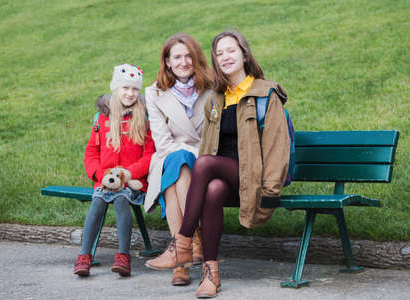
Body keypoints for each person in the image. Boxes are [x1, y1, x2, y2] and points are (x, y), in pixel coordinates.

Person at [145, 31, 290, 298]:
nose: (225, 57)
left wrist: (271, 190)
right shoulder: (217, 98)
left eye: (231, 51)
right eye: (219, 53)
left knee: (203, 165)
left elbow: (278, 147)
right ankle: (211, 275)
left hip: (253, 177)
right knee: (212, 189)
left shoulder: (264, 93)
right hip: (225, 176)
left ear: (244, 54)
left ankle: (182, 241)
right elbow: (209, 144)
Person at [143, 33, 214, 286]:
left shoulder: (213, 89)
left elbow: (211, 139)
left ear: (196, 59)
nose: (184, 61)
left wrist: (187, 151)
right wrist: (184, 151)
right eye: (177, 57)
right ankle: (192, 238)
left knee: (179, 167)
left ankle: (180, 259)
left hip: (204, 160)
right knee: (178, 163)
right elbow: (162, 143)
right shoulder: (153, 92)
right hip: (168, 158)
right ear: (168, 62)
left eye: (188, 56)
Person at [74, 64, 155, 277]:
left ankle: (123, 256)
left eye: (135, 89)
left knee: (121, 200)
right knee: (98, 202)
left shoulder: (144, 118)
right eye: (125, 88)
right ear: (115, 89)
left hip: (132, 182)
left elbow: (149, 156)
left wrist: (128, 174)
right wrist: (101, 176)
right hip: (105, 180)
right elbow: (91, 152)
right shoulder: (101, 119)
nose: (130, 93)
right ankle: (84, 256)